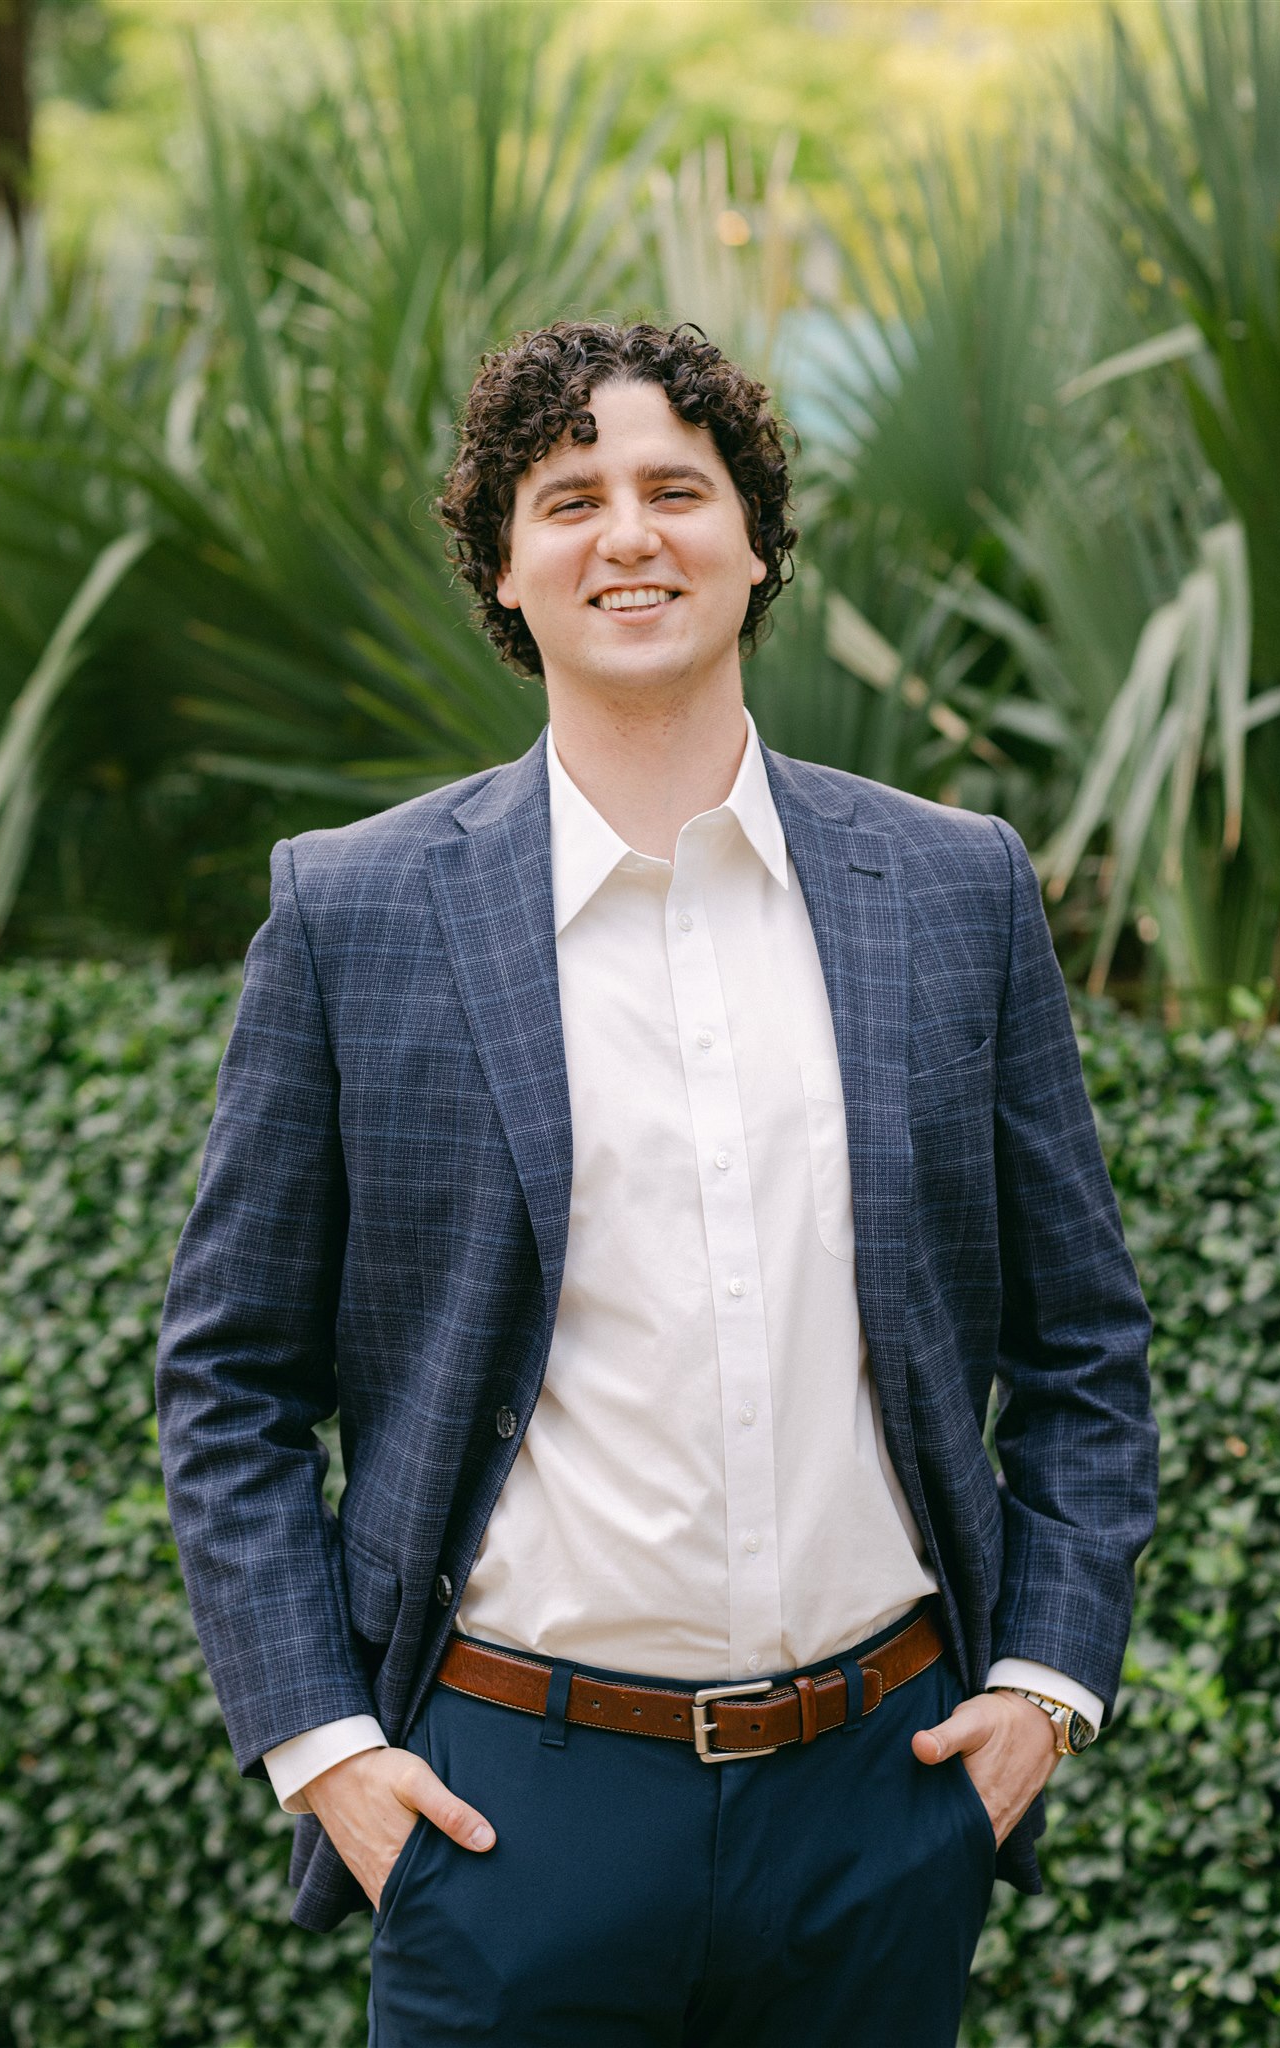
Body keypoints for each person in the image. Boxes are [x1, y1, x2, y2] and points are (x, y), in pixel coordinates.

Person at [155, 319, 1158, 2046]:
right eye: (570, 498)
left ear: (752, 541)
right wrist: (325, 1750)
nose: (629, 534)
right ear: (503, 568)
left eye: (676, 488)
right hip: (506, 1816)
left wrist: (1043, 1693)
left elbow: (1081, 1342)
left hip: (881, 1796)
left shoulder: (948, 889)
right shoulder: (354, 910)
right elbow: (229, 1374)